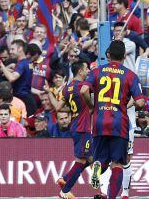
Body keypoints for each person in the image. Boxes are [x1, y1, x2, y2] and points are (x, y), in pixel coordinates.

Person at [81, 40, 146, 199]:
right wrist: (127, 104)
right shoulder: (130, 75)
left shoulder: (96, 72)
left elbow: (83, 90)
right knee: (117, 164)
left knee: (101, 160)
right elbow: (141, 102)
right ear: (124, 55)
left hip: (99, 121)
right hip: (119, 123)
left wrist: (92, 106)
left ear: (108, 55)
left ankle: (97, 166)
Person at [54, 61, 92, 199]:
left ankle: (64, 178)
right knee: (82, 160)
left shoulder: (67, 88)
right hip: (82, 127)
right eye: (86, 68)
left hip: (75, 125)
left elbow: (58, 108)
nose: (88, 71)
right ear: (80, 71)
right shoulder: (83, 86)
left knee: (91, 158)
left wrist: (74, 108)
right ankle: (65, 190)